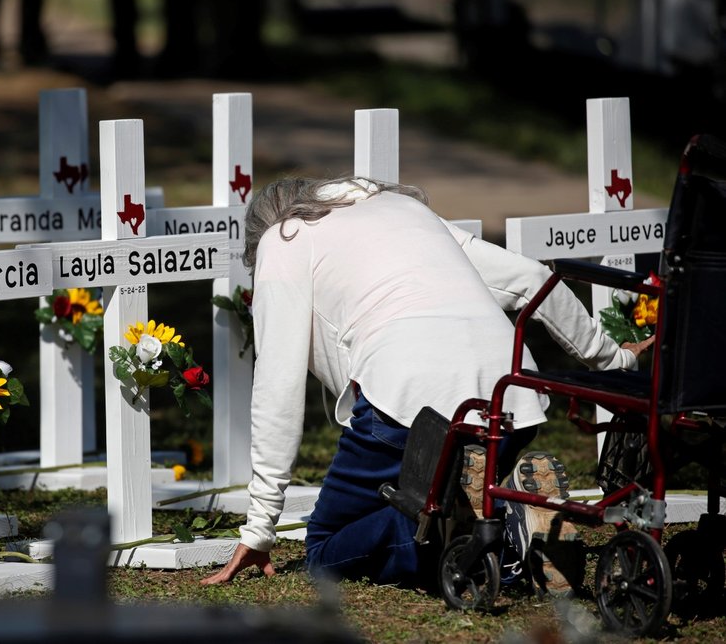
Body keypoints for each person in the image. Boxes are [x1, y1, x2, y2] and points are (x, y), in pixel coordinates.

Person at [200, 176, 652, 592]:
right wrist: (614, 359)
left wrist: (260, 528)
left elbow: (276, 389)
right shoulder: (400, 207)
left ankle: (492, 539)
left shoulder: (285, 239)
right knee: (422, 500)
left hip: (406, 406)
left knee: (325, 547)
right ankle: (503, 512)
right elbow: (533, 280)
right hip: (511, 400)